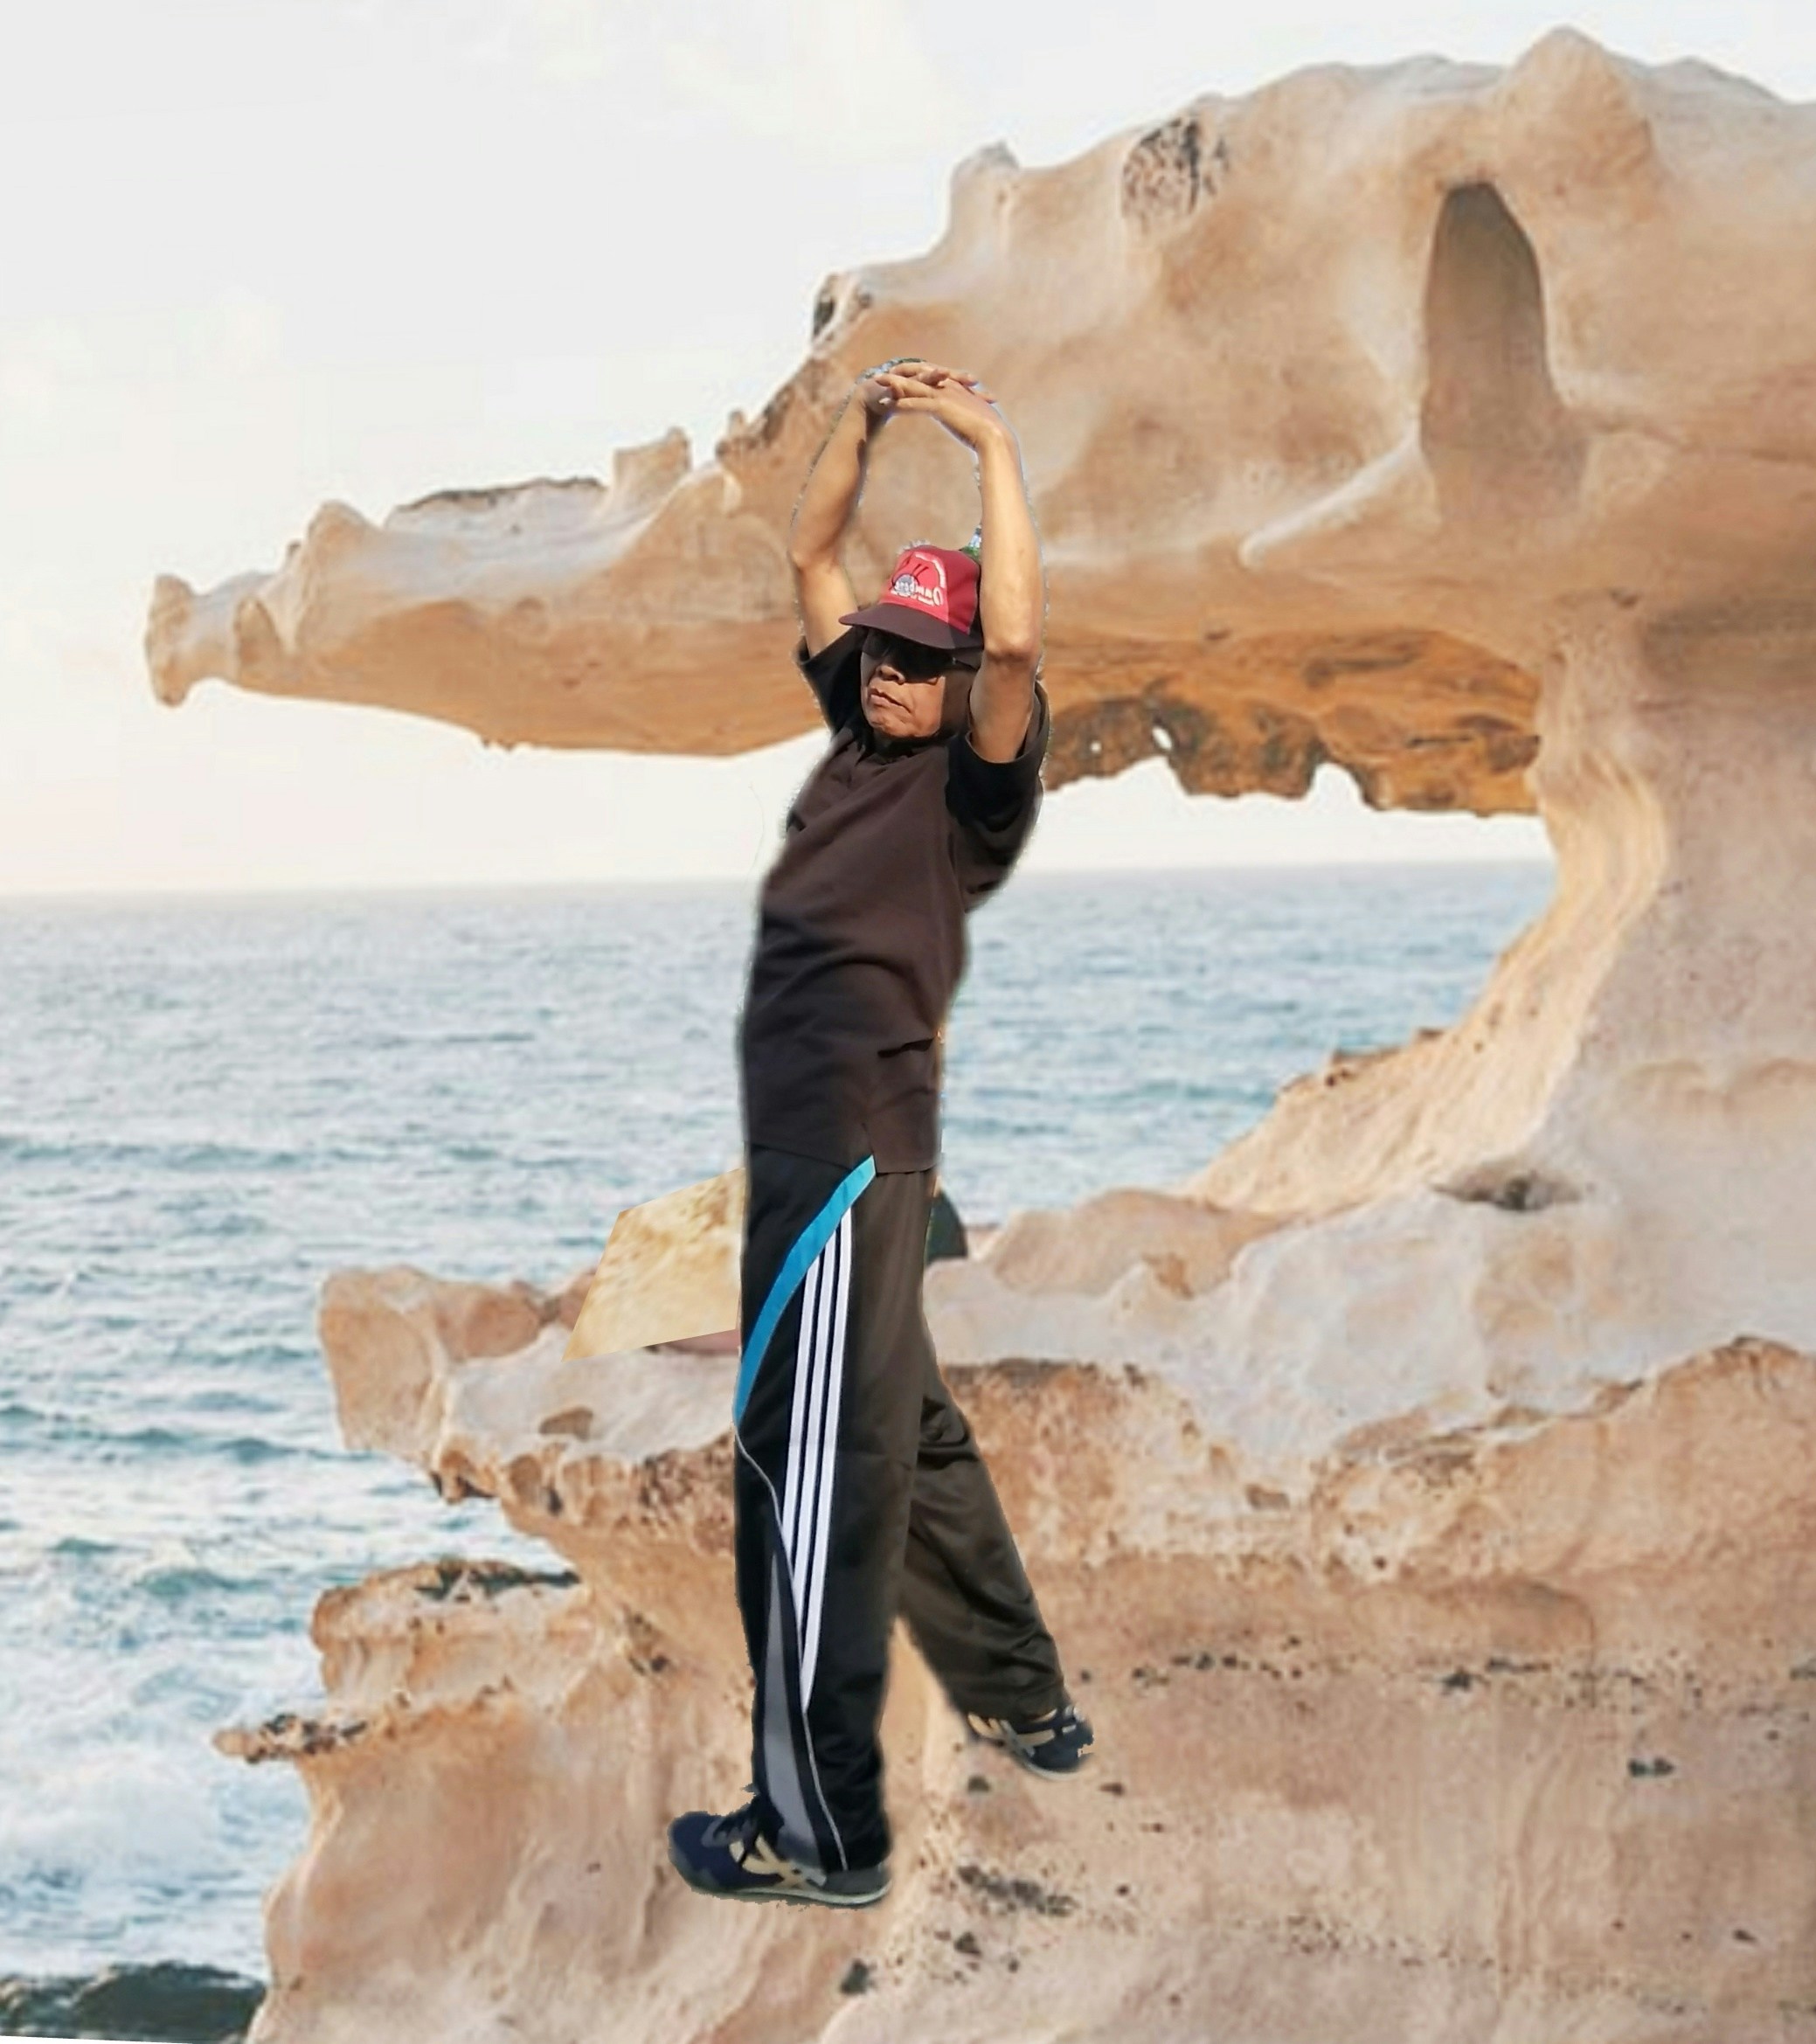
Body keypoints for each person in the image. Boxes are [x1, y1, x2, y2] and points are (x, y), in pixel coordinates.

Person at [666, 358, 1093, 1909]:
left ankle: (817, 1835)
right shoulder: (854, 733)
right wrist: (860, 421)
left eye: (928, 657)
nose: (899, 675)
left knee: (807, 1482)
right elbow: (808, 555)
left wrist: (987, 440)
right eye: (889, 651)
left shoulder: (965, 794)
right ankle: (1024, 1698)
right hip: (834, 1152)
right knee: (907, 1437)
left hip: (841, 1153)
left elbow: (1024, 639)